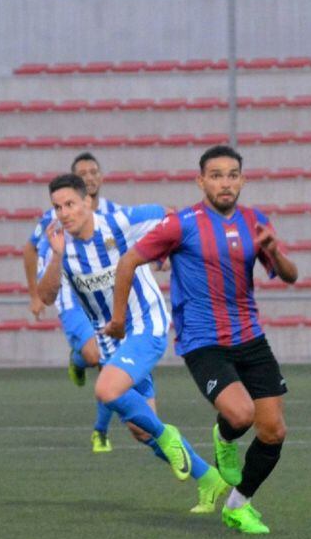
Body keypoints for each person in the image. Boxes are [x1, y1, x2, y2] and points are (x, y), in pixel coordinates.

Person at [106, 145, 298, 534]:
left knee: (274, 431)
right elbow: (128, 261)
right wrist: (119, 319)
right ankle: (224, 436)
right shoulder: (182, 224)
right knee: (240, 415)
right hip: (203, 341)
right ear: (201, 181)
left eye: (232, 175)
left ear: (242, 180)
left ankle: (238, 504)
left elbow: (290, 275)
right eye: (216, 175)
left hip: (250, 337)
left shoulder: (255, 221)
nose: (225, 183)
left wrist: (274, 252)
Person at [38, 173, 228, 514]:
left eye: (70, 204)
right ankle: (208, 477)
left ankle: (169, 436)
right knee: (141, 429)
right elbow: (46, 295)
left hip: (146, 323)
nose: (64, 213)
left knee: (106, 390)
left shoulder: (120, 222)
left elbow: (171, 216)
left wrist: (166, 254)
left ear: (87, 202)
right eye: (57, 207)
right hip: (112, 338)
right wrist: (56, 257)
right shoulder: (55, 243)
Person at [22, 152, 119, 453]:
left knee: (108, 364)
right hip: (70, 295)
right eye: (82, 173)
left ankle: (100, 431)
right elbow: (30, 250)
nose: (89, 177)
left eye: (93, 171)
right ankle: (79, 358)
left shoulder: (114, 214)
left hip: (103, 295)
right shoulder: (53, 218)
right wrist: (35, 295)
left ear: (101, 177)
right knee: (95, 355)